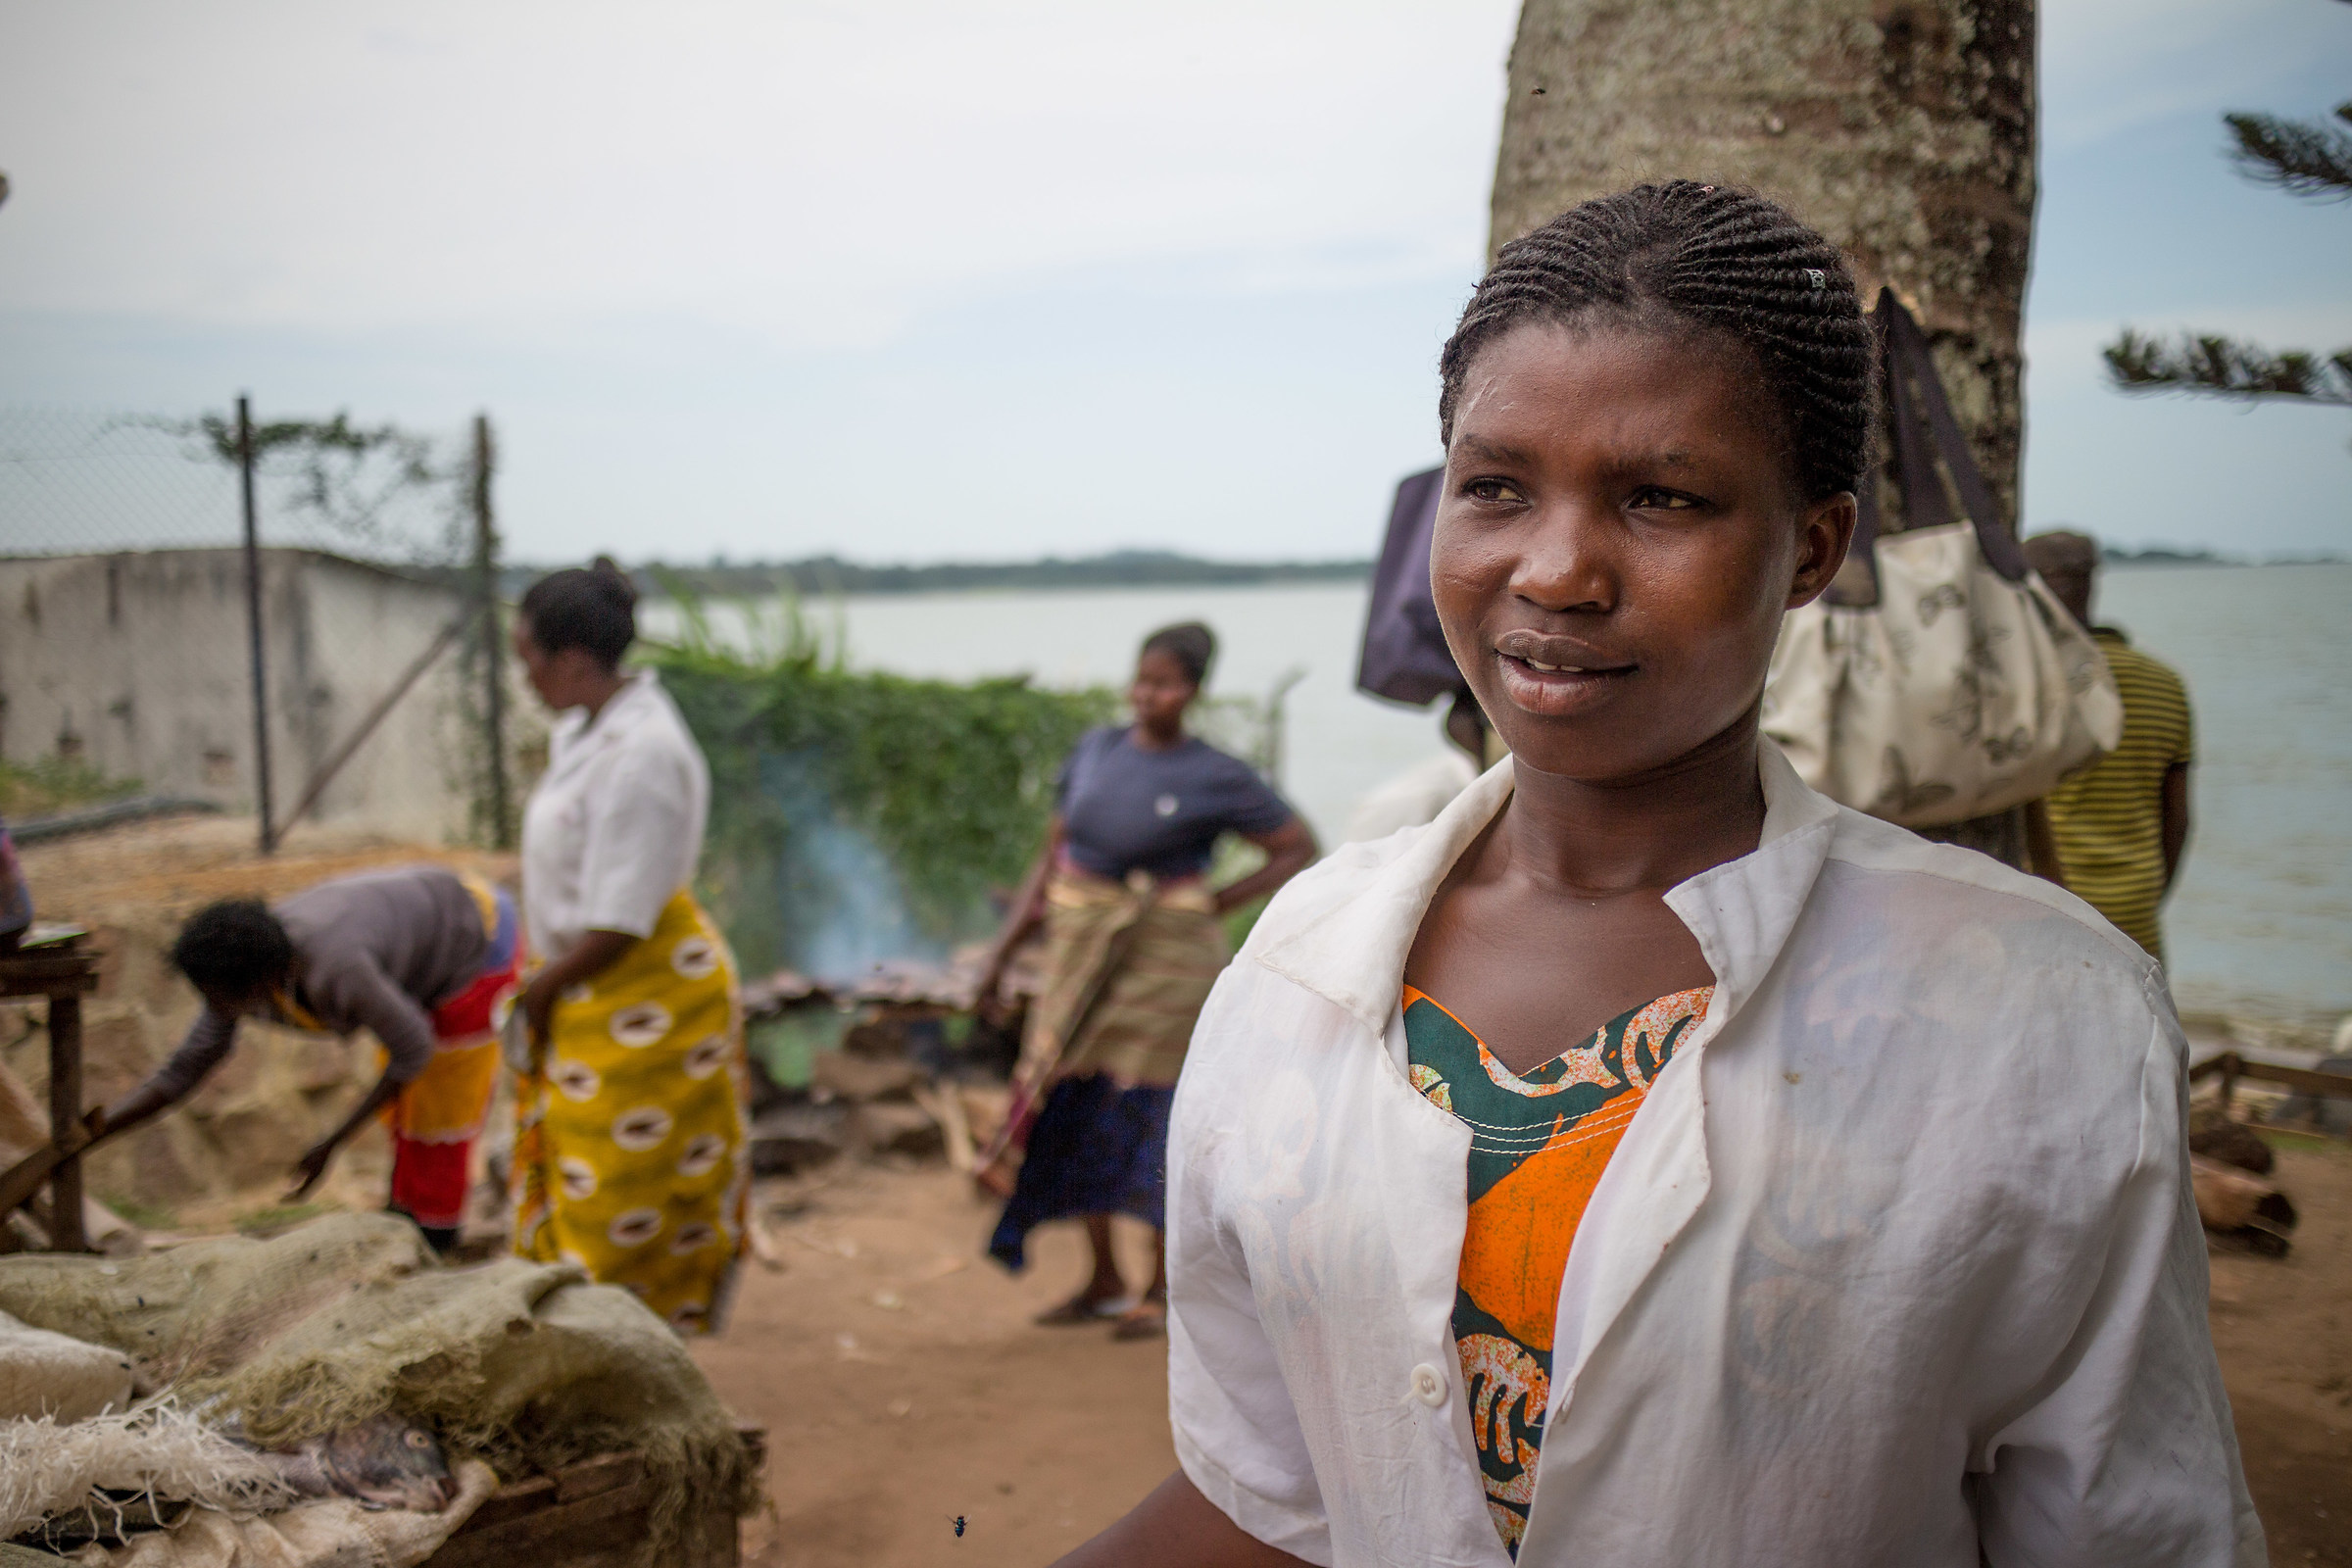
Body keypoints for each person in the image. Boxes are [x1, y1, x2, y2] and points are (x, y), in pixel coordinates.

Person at [1056, 183, 2258, 1566]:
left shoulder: (2041, 1019)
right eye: (1495, 487)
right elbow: (1278, 1494)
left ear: (1812, 549)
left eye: (1663, 498)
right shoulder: (1298, 966)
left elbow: (2128, 1534)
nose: (1557, 571)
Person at [977, 622, 1316, 1341]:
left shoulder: (1216, 773)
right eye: (1141, 679)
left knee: (1160, 1114)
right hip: (1079, 958)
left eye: (1163, 684)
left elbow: (1295, 846)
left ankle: (1157, 1287)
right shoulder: (1095, 751)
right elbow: (1050, 859)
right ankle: (1101, 1277)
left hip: (1165, 976)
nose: (1146, 695)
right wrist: (999, 956)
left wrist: (1210, 906)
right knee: (1075, 1100)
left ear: (1192, 691)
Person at [508, 559, 749, 1335]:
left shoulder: (643, 752)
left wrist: (543, 988)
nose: (524, 676)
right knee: (586, 1187)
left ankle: (629, 1356)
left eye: (529, 658)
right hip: (592, 984)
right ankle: (595, 1354)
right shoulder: (583, 733)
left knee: (625, 1198)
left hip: (641, 991)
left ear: (574, 659)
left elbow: (619, 918)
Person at [103, 865, 522, 1253]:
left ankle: (437, 1237)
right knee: (408, 1108)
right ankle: (406, 1215)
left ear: (261, 982)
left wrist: (332, 1143)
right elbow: (185, 1068)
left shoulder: (338, 966)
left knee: (441, 1108)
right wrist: (97, 1129)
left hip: (479, 939)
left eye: (221, 998)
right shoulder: (242, 971)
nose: (216, 1009)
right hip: (425, 932)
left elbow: (414, 1048)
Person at [2022, 529, 2195, 961]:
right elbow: (2178, 820)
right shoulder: (2164, 683)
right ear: (2091, 583)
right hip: (2136, 913)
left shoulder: (2025, 686)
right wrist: (2148, 896)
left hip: (2044, 910)